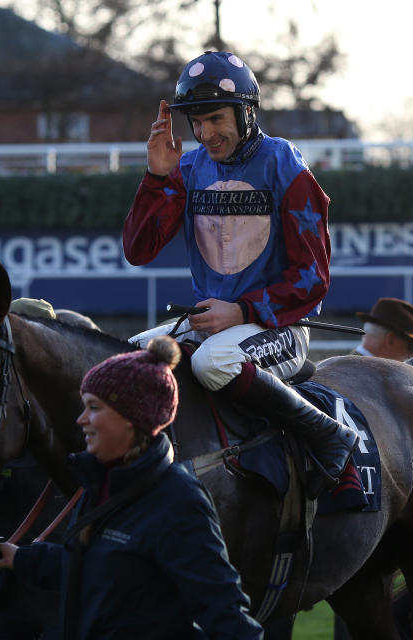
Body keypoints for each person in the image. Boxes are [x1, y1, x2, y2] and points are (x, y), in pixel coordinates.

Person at [121, 50, 356, 491]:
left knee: (213, 362)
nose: (205, 133)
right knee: (126, 360)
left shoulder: (286, 165)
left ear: (246, 112)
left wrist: (243, 312)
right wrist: (156, 176)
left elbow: (312, 278)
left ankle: (329, 433)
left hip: (281, 327)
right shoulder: (187, 169)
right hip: (210, 325)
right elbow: (139, 249)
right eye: (197, 122)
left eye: (215, 119)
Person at [0, 335, 264, 640]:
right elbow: (91, 566)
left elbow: (225, 612)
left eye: (93, 407)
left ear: (131, 418)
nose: (81, 419)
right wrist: (20, 559)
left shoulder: (178, 500)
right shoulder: (100, 482)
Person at [352, 297, 413, 361]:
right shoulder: (366, 372)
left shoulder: (348, 368)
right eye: (410, 347)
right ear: (390, 339)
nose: (411, 355)